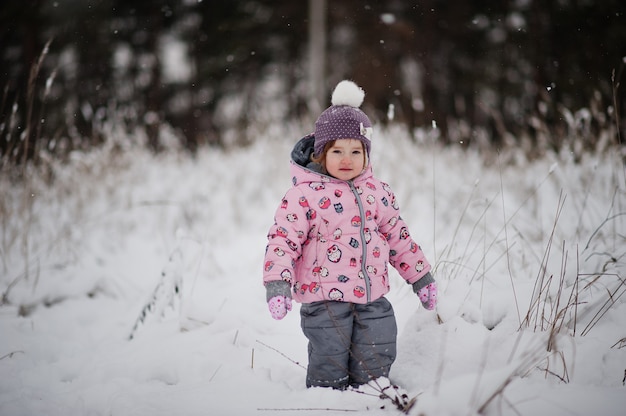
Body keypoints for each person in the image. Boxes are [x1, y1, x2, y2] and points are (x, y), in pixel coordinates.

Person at [262, 80, 437, 390]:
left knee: (378, 352)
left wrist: (421, 278)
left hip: (373, 298)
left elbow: (399, 238)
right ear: (320, 155)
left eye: (356, 151)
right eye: (337, 151)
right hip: (324, 300)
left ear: (367, 154)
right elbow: (283, 241)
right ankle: (327, 401)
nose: (347, 159)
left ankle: (371, 397)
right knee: (329, 357)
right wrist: (278, 284)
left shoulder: (377, 192)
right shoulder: (304, 195)